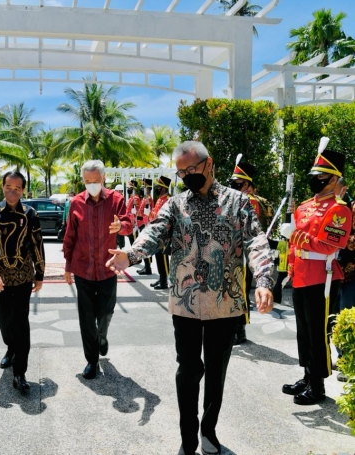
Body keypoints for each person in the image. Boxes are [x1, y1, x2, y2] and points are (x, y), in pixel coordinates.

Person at [106, 141, 274, 455]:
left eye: (191, 170)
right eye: (181, 172)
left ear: (209, 164)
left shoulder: (238, 202)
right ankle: (187, 441)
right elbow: (154, 232)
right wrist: (129, 254)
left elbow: (257, 242)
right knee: (187, 369)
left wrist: (263, 280)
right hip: (185, 303)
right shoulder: (175, 204)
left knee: (216, 370)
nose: (185, 177)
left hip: (224, 304)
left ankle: (208, 433)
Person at [281, 147, 352, 405]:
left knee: (318, 333)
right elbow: (293, 245)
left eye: (321, 175)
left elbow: (330, 245)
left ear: (334, 179)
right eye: (314, 174)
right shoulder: (304, 206)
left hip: (322, 277)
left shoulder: (340, 209)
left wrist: (295, 235)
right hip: (301, 275)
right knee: (303, 331)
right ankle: (308, 376)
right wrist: (289, 266)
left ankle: (319, 387)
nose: (316, 179)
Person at [63, 160, 132, 380]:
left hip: (107, 269)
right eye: (87, 181)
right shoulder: (76, 203)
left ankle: (102, 336)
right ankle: (91, 361)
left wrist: (121, 227)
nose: (91, 184)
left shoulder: (116, 200)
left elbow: (129, 223)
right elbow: (69, 237)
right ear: (83, 180)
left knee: (105, 311)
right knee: (86, 317)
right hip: (83, 269)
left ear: (103, 178)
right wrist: (67, 266)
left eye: (95, 180)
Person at [0, 171, 45, 391]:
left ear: (23, 190)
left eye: (17, 188)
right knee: (5, 321)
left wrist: (40, 273)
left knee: (21, 323)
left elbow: (37, 243)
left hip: (23, 277)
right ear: (2, 187)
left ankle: (20, 373)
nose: (13, 191)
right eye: (9, 187)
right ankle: (10, 347)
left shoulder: (30, 213)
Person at [230, 161, 273, 344]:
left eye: (238, 182)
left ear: (247, 184)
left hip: (246, 255)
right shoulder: (236, 199)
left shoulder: (251, 201)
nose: (234, 185)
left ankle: (240, 329)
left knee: (241, 291)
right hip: (234, 252)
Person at [333, 177, 355, 382]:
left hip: (351, 274)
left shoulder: (352, 208)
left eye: (336, 188)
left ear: (344, 189)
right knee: (336, 317)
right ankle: (341, 357)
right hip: (335, 274)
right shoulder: (333, 208)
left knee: (348, 317)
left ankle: (350, 363)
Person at [149, 176, 171, 290]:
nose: (157, 188)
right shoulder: (160, 199)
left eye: (159, 186)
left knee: (163, 258)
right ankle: (161, 278)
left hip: (163, 233)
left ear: (164, 188)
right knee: (158, 256)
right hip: (156, 232)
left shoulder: (167, 200)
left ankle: (164, 281)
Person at [136, 178, 154, 275]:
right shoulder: (145, 198)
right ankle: (146, 266)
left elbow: (148, 212)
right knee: (143, 247)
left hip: (145, 224)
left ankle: (148, 268)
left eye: (144, 187)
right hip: (141, 223)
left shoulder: (148, 199)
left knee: (145, 247)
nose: (143, 189)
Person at [125, 180, 141, 249]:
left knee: (134, 243)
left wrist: (134, 211)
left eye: (130, 188)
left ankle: (137, 260)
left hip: (134, 223)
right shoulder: (131, 198)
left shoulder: (136, 198)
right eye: (128, 188)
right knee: (131, 242)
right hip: (129, 223)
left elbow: (138, 211)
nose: (128, 189)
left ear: (134, 189)